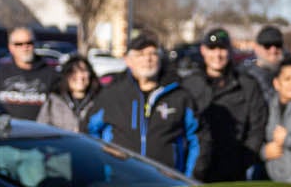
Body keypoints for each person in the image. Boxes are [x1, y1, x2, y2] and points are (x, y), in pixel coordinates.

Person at [84, 34, 204, 175]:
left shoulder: (179, 96)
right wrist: (103, 162)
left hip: (167, 186)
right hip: (121, 183)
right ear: (128, 60)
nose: (147, 59)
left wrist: (188, 179)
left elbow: (198, 139)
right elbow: (88, 133)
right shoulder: (112, 95)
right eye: (140, 54)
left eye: (152, 54)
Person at [183, 28, 272, 182]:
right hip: (196, 171)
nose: (217, 55)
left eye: (222, 49)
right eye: (212, 49)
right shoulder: (189, 84)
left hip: (233, 172)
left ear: (230, 51)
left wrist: (244, 159)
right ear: (203, 50)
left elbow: (257, 126)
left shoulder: (247, 84)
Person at [0, 28, 58, 122]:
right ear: (11, 47)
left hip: (40, 133)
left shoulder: (51, 75)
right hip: (9, 133)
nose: (25, 47)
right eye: (19, 44)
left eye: (29, 43)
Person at [37, 54, 100, 132]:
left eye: (84, 71)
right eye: (74, 72)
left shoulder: (99, 101)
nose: (80, 76)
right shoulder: (53, 101)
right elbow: (41, 128)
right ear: (66, 75)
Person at [247, 24, 290, 100]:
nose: (273, 50)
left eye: (278, 45)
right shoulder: (247, 77)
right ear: (257, 48)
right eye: (267, 45)